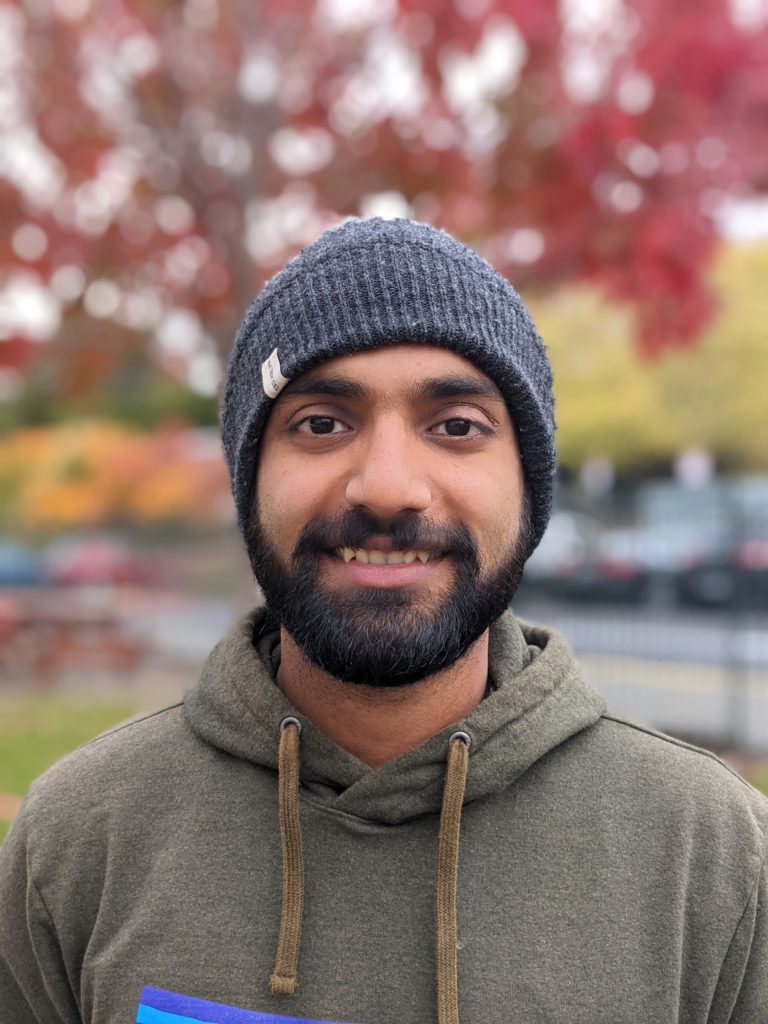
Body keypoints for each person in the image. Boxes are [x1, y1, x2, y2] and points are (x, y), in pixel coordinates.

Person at [0, 218, 765, 1024]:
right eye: (322, 422)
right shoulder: (79, 839)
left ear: (530, 489)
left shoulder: (714, 860)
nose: (389, 487)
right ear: (249, 481)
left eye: (457, 427)